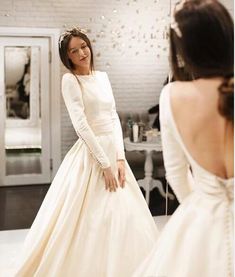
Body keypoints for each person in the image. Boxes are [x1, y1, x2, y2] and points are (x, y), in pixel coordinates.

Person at [14, 27, 158, 277]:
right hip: (92, 152)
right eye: (74, 50)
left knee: (124, 214)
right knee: (87, 217)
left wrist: (120, 158)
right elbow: (81, 124)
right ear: (67, 57)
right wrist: (104, 163)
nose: (82, 53)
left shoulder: (102, 76)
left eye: (84, 46)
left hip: (113, 150)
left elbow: (112, 116)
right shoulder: (70, 80)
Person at [134, 0, 234, 276]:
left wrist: (201, 210)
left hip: (202, 213)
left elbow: (176, 174)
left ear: (183, 48)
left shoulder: (172, 95)